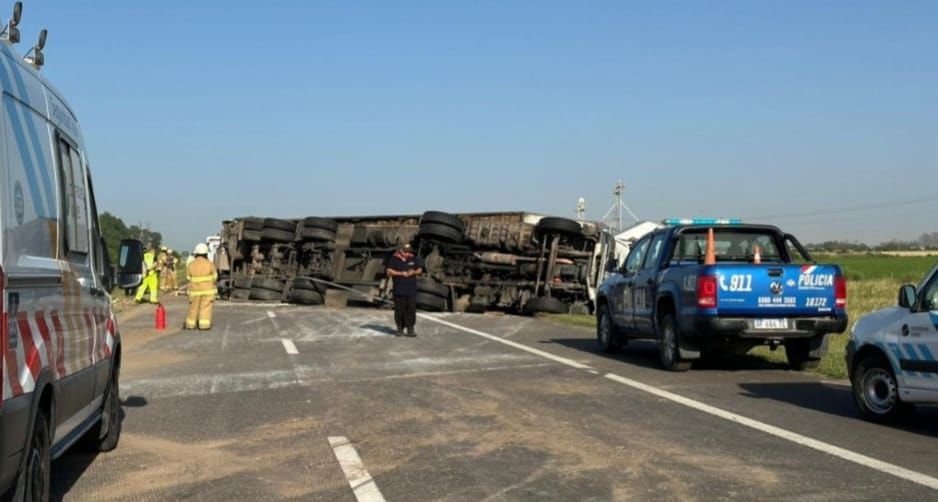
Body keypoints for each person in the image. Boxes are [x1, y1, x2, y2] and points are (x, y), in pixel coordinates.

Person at [385, 242, 423, 337]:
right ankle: (399, 329)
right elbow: (389, 271)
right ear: (400, 250)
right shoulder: (394, 258)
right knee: (399, 310)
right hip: (399, 290)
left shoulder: (413, 258)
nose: (407, 253)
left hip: (411, 290)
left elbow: (420, 269)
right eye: (405, 252)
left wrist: (413, 272)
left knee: (411, 309)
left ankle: (410, 329)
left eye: (409, 251)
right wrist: (401, 274)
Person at [186, 243, 218, 330]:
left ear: (196, 253)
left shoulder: (191, 264)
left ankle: (191, 325)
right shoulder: (210, 264)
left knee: (193, 308)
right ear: (206, 253)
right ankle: (204, 325)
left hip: (194, 291)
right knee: (205, 308)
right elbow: (215, 277)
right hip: (208, 290)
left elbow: (188, 277)